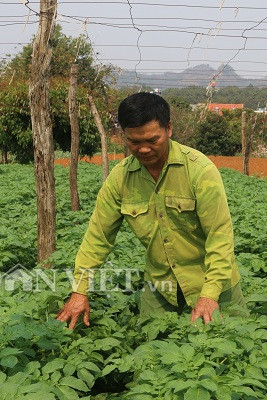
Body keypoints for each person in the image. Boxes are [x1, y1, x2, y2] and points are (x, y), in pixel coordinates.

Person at [56, 92, 247, 329]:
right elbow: (98, 238)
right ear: (122, 135)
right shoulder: (120, 179)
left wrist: (209, 294)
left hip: (214, 283)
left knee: (231, 347)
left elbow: (220, 235)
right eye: (134, 142)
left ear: (169, 129)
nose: (143, 149)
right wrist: (80, 290)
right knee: (151, 355)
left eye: (152, 140)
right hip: (161, 288)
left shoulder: (199, 171)